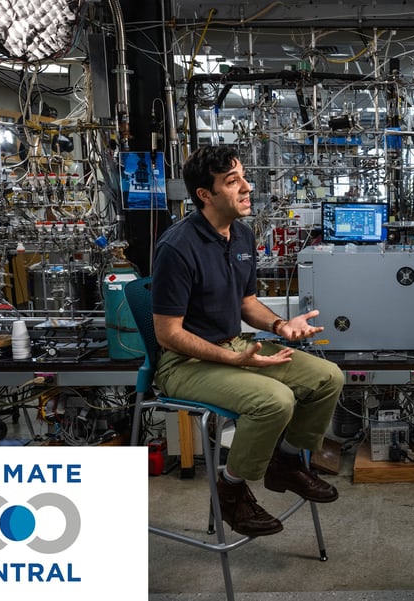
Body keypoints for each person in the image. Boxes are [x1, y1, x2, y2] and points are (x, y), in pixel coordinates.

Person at [151, 145, 344, 537]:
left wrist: (280, 327)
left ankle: (286, 463)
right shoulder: (177, 247)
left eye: (242, 176)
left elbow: (247, 303)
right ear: (205, 194)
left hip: (233, 345)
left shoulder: (240, 234)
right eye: (232, 181)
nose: (246, 187)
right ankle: (231, 491)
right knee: (275, 401)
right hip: (185, 363)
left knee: (329, 378)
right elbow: (167, 335)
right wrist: (233, 361)